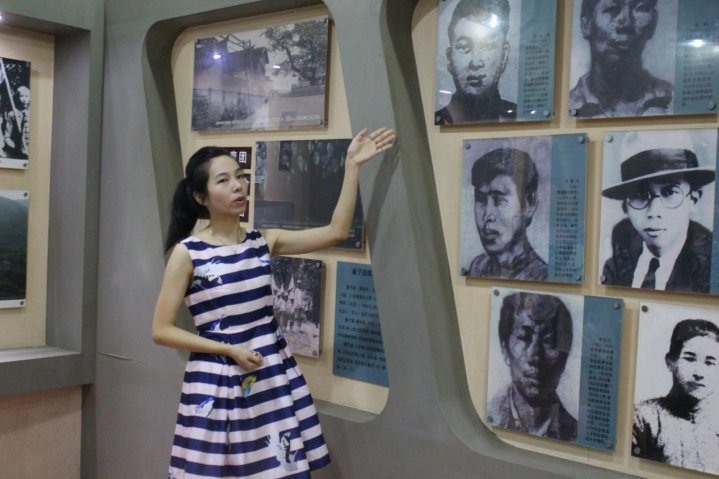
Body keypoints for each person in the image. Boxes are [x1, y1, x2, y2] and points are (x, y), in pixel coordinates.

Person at [152, 127, 395, 478]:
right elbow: (161, 330)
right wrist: (228, 350)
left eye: (240, 176)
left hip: (269, 371)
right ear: (200, 196)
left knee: (276, 467)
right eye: (224, 181)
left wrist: (352, 166)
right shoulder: (188, 253)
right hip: (217, 378)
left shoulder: (262, 241)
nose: (238, 186)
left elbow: (337, 231)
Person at [601, 130, 714, 293]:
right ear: (626, 206)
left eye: (669, 192)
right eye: (640, 194)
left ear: (693, 199)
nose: (654, 212)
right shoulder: (615, 266)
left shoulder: (711, 272)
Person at [633, 319, 719, 474]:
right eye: (690, 359)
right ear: (670, 362)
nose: (699, 373)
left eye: (709, 362)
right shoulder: (643, 418)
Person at [488, 292, 578, 441]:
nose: (535, 355)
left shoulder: (577, 434)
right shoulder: (485, 416)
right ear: (505, 349)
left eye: (548, 341)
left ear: (565, 355)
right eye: (524, 338)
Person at [570, 0, 672, 118]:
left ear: (653, 23)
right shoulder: (569, 108)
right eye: (612, 9)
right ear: (586, 24)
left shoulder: (672, 99)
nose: (627, 23)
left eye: (640, 8)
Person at [463, 148, 547, 281]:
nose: (487, 215)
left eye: (499, 200)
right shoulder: (477, 268)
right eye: (480, 199)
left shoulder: (541, 277)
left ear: (529, 202)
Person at [435, 0, 517, 125]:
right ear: (449, 59)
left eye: (488, 46)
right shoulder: (439, 120)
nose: (476, 62)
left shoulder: (521, 116)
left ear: (504, 56)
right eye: (464, 47)